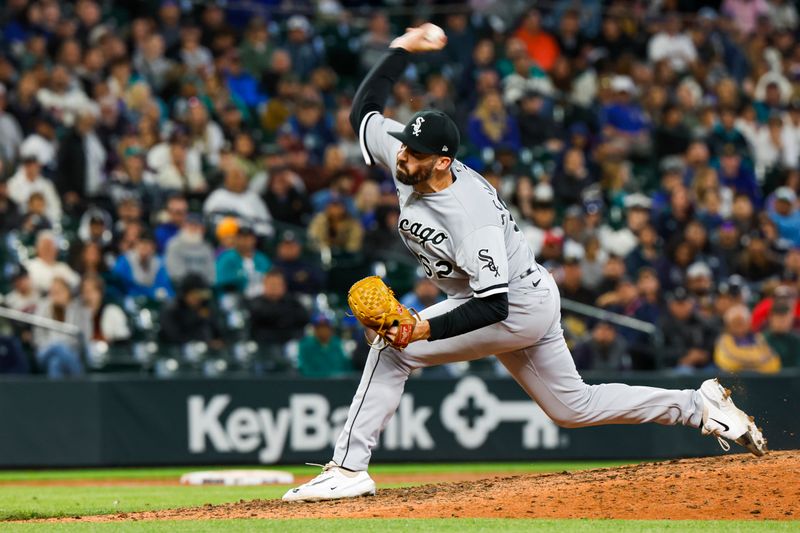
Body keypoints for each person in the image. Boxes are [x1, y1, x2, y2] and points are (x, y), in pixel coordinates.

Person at [283, 26, 767, 503]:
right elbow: (363, 110)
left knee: (393, 349)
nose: (403, 156)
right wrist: (402, 48)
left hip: (513, 303)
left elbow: (493, 306)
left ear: (443, 162)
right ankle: (694, 405)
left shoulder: (471, 217)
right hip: (516, 291)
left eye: (416, 153)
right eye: (405, 146)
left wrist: (420, 331)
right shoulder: (406, 154)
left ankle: (348, 469)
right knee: (572, 406)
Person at [247, 270, 310, 345]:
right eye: (271, 284)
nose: (274, 287)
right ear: (264, 285)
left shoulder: (294, 303)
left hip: (289, 344)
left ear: (284, 286)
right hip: (262, 345)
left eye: (277, 284)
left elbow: (303, 321)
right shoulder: (253, 304)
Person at [714, 305, 781, 374]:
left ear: (748, 323)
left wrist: (743, 362)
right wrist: (757, 362)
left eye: (741, 322)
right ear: (728, 325)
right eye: (735, 322)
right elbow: (728, 364)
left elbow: (773, 364)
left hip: (761, 380)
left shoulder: (759, 338)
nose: (738, 325)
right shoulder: (723, 340)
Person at [297, 313, 350, 378]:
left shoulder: (337, 343)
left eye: (326, 327)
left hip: (338, 384)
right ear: (315, 329)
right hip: (313, 384)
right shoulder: (305, 345)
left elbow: (347, 367)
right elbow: (304, 370)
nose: (323, 330)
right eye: (319, 327)